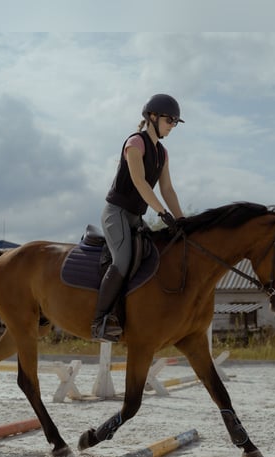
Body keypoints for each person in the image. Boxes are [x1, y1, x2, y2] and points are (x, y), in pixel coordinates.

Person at [91, 93, 186, 342]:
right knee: (122, 260)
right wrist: (162, 213)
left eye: (176, 122)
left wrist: (183, 220)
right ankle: (99, 321)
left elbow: (167, 189)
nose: (172, 126)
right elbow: (139, 181)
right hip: (116, 213)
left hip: (135, 217)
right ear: (152, 117)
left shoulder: (162, 153)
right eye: (170, 120)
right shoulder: (135, 143)